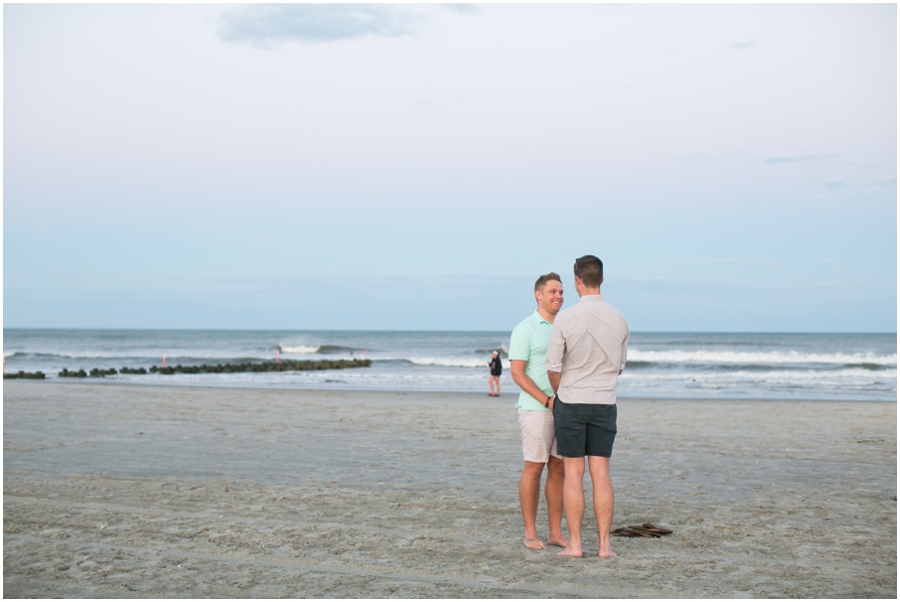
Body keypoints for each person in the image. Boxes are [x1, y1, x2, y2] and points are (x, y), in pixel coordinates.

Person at [545, 255, 629, 558]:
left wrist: (562, 393)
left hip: (572, 400)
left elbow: (552, 367)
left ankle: (576, 544)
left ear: (577, 280)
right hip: (605, 402)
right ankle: (605, 545)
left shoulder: (566, 318)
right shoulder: (619, 318)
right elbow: (619, 367)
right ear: (602, 280)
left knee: (573, 472)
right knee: (601, 472)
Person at [508, 272, 568, 550]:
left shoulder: (567, 324)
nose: (558, 296)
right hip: (537, 409)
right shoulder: (526, 328)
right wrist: (546, 400)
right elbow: (518, 373)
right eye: (553, 291)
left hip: (566, 408)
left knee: (559, 469)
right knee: (534, 468)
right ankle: (530, 533)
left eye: (561, 291)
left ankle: (555, 533)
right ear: (539, 294)